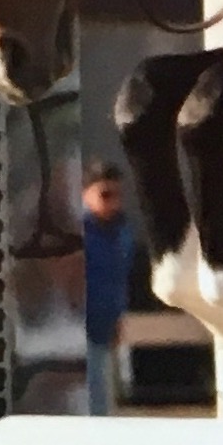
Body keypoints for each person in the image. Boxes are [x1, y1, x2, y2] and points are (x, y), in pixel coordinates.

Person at [81, 160, 136, 416]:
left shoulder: (121, 232)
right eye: (105, 195)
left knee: (105, 404)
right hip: (78, 328)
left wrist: (118, 318)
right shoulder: (78, 234)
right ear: (85, 193)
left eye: (118, 195)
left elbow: (119, 279)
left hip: (106, 327)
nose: (113, 203)